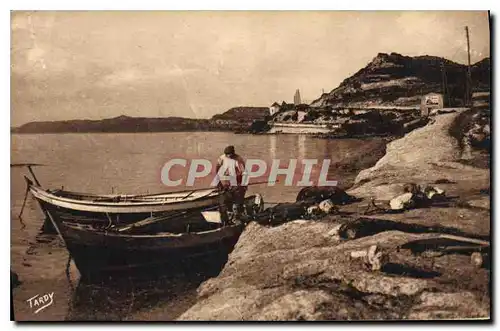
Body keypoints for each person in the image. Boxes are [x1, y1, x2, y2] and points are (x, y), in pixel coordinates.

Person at [215, 145, 248, 224]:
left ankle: (237, 218)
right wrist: (219, 183)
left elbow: (244, 173)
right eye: (227, 154)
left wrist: (243, 185)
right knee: (224, 203)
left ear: (233, 154)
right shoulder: (221, 158)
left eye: (230, 154)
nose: (228, 156)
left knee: (237, 203)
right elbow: (217, 169)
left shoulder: (238, 159)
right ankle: (226, 220)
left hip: (236, 183)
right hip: (225, 183)